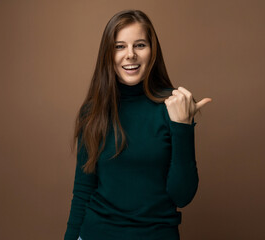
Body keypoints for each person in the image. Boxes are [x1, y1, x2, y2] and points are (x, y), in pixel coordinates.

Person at [64, 9, 212, 240]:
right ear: (107, 54)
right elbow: (83, 191)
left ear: (153, 51)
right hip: (95, 233)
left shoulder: (173, 106)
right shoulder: (93, 111)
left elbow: (182, 196)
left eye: (140, 45)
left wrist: (182, 125)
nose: (130, 55)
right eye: (119, 46)